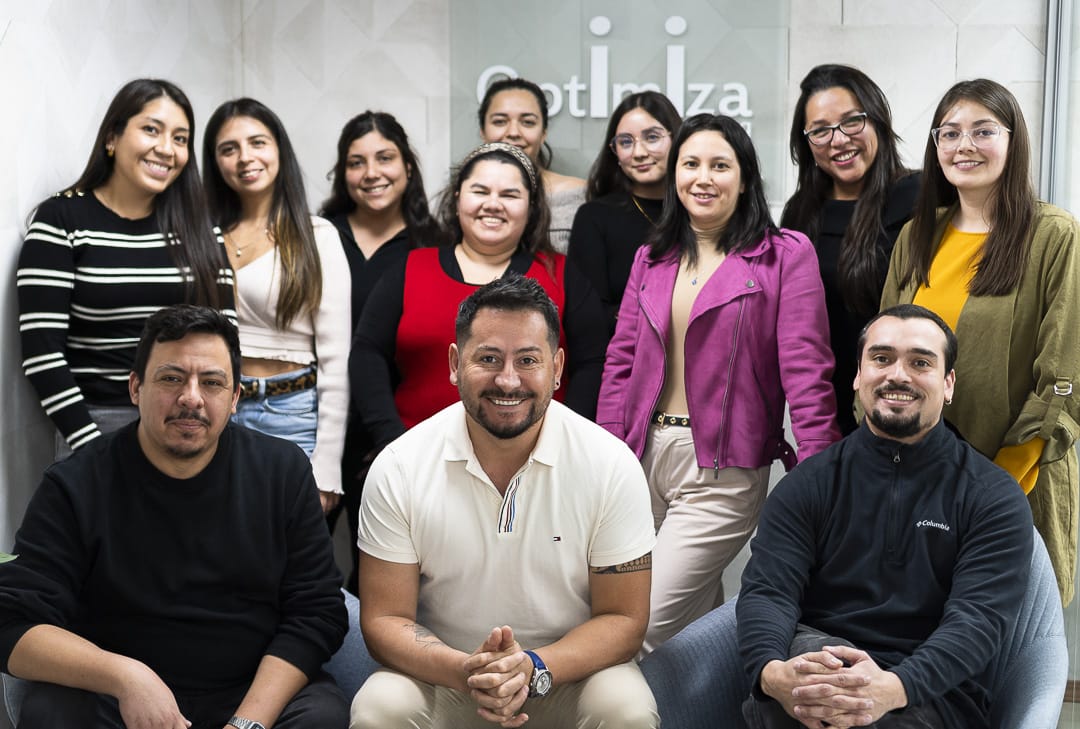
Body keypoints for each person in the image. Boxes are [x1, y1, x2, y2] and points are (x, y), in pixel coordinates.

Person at [0, 304, 348, 729]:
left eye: (212, 382)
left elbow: (317, 612)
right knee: (52, 713)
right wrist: (125, 677)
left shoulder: (283, 472)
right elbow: (12, 621)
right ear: (135, 387)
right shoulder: (75, 484)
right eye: (171, 378)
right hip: (119, 698)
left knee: (321, 717)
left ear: (235, 398)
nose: (191, 398)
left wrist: (246, 724)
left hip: (250, 693)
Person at [350, 276, 658, 729]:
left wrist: (533, 667)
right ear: (455, 364)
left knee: (625, 707)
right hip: (448, 677)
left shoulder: (610, 464)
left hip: (565, 677)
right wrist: (467, 671)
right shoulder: (400, 466)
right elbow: (384, 620)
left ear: (557, 367)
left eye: (528, 360)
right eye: (488, 358)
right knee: (380, 706)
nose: (508, 380)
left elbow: (624, 620)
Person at [598, 113, 840, 653]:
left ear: (745, 177)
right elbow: (621, 362)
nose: (703, 178)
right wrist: (607, 457)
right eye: (691, 164)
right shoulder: (651, 257)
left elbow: (807, 374)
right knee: (688, 631)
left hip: (721, 470)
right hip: (639, 460)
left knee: (634, 624)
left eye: (719, 165)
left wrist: (822, 477)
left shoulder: (784, 255)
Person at [737, 304, 1033, 729]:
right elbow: (769, 592)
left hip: (931, 696)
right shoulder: (808, 484)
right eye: (881, 358)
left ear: (949, 383)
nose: (898, 375)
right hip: (813, 680)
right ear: (858, 375)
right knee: (813, 679)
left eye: (920, 363)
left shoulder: (992, 497)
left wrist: (892, 688)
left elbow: (978, 621)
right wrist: (770, 675)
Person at [881, 78, 1080, 604]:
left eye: (983, 131)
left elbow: (1064, 376)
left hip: (1017, 481)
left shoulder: (1054, 235)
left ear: (1013, 142)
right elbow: (881, 357)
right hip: (917, 482)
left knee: (1012, 634)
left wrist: (999, 482)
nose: (963, 145)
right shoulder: (917, 235)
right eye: (949, 133)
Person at [17, 78, 235, 454]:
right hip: (95, 424)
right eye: (151, 129)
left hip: (190, 421)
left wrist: (213, 427)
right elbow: (42, 351)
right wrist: (91, 447)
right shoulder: (61, 219)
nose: (166, 149)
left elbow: (227, 340)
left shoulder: (200, 228)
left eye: (180, 138)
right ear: (112, 137)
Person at [350, 141, 607, 453]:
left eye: (509, 195)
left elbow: (592, 363)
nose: (493, 204)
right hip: (418, 454)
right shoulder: (410, 268)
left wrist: (562, 442)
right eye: (480, 191)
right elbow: (367, 353)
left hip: (535, 458)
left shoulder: (562, 275)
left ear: (531, 206)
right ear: (458, 197)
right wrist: (390, 438)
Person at [204, 98, 352, 512]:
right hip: (214, 407)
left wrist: (327, 465)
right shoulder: (203, 236)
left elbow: (336, 359)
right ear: (214, 162)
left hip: (291, 412)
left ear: (279, 150)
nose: (245, 157)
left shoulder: (316, 235)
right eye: (229, 148)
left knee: (285, 543)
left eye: (257, 142)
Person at [319, 109, 439, 588]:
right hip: (322, 420)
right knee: (299, 554)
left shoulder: (435, 244)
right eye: (357, 162)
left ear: (407, 166)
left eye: (384, 158)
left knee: (379, 567)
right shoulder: (320, 235)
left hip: (393, 425)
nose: (372, 173)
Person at [781, 64, 919, 434]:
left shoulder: (919, 198)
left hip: (903, 404)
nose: (838, 140)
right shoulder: (800, 214)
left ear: (877, 120)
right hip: (827, 412)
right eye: (820, 130)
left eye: (851, 121)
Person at [568, 91, 682, 330]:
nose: (639, 153)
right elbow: (589, 313)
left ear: (677, 139)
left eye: (652, 137)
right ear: (615, 153)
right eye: (626, 142)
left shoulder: (699, 210)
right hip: (621, 348)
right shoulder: (595, 217)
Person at [479, 77, 586, 252]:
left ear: (543, 133)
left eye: (527, 122)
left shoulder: (578, 196)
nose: (513, 132)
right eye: (500, 121)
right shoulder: (465, 196)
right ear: (483, 131)